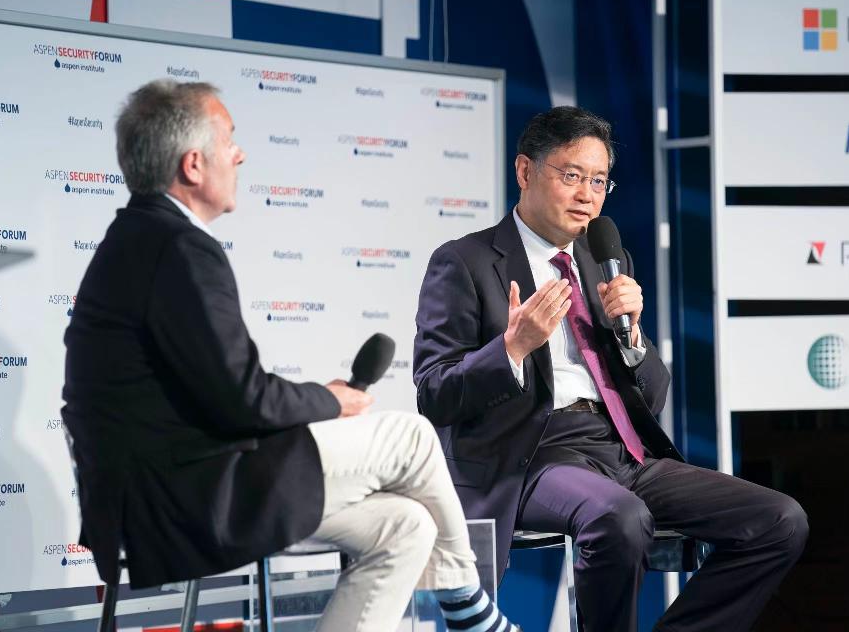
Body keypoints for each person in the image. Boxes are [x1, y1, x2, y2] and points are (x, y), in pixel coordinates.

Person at [62, 79, 520, 632]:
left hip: (157, 494)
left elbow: (217, 392)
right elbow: (241, 398)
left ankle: (463, 601)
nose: (239, 154)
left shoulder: (137, 239)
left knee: (406, 526)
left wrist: (317, 403)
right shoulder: (178, 248)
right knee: (411, 436)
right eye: (228, 139)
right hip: (189, 497)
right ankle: (469, 609)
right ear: (193, 165)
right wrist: (330, 401)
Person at [413, 105, 808, 632]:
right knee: (619, 518)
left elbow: (653, 397)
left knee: (779, 521)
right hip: (532, 455)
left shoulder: (603, 260)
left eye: (599, 181)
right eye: (572, 176)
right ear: (525, 171)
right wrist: (512, 348)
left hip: (621, 450)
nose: (587, 195)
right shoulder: (465, 261)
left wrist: (633, 336)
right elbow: (434, 392)